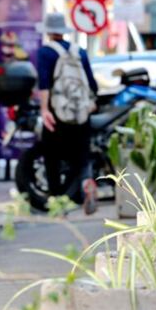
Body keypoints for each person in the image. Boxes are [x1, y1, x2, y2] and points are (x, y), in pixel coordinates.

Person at [36, 12, 98, 214]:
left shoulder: (45, 52)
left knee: (52, 158)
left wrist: (45, 109)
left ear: (47, 32)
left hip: (57, 113)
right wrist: (89, 104)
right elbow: (92, 84)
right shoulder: (79, 51)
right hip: (80, 114)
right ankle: (82, 191)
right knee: (79, 158)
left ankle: (57, 201)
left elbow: (44, 84)